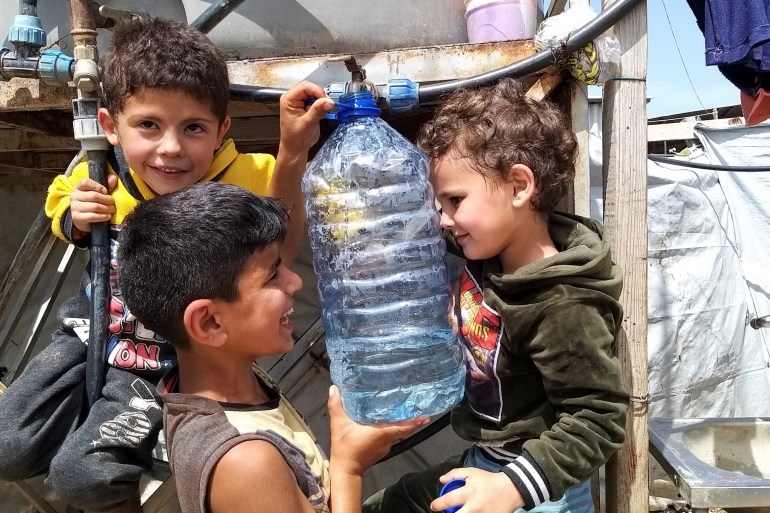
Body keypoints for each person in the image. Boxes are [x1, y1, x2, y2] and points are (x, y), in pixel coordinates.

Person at [0, 16, 333, 513]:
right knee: (10, 445)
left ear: (221, 131)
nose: (171, 148)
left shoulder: (240, 179)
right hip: (88, 333)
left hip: (156, 362)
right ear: (111, 127)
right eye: (149, 125)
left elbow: (280, 232)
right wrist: (76, 215)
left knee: (83, 477)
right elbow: (60, 203)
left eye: (193, 128)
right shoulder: (102, 176)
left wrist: (291, 152)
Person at [363, 78, 629, 513]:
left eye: (454, 200)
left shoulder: (562, 303)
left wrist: (511, 489)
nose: (444, 220)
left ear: (519, 187)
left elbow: (597, 419)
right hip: (488, 460)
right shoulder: (492, 251)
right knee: (391, 502)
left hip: (533, 488)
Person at [116, 181, 427, 513]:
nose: (295, 282)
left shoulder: (235, 376)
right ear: (210, 323)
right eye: (272, 276)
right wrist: (348, 466)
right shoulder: (245, 462)